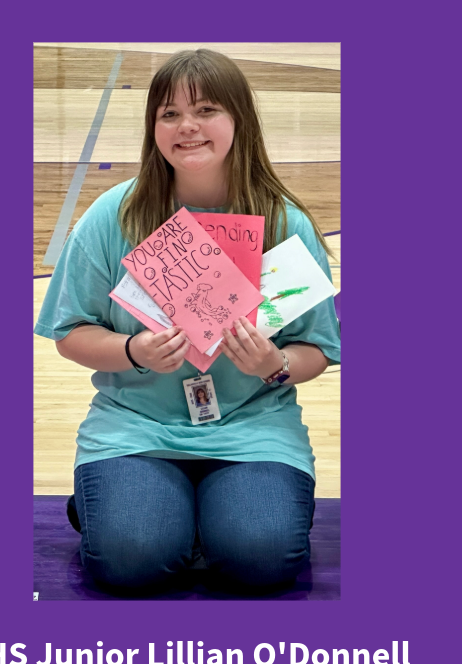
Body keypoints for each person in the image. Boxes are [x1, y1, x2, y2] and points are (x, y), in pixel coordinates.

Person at [34, 49, 340, 592]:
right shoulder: (114, 216)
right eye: (168, 113)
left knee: (262, 559)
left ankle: (205, 519)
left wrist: (275, 364)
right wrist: (134, 352)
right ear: (153, 127)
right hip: (136, 428)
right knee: (130, 560)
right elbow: (69, 333)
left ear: (238, 119)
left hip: (253, 428)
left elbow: (317, 349)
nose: (187, 127)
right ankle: (141, 510)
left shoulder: (284, 223)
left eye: (206, 109)